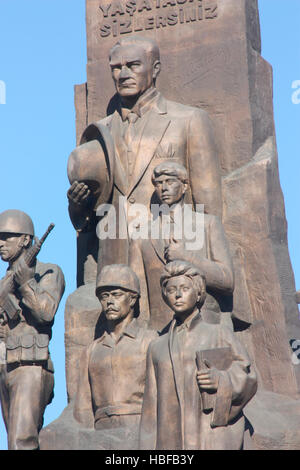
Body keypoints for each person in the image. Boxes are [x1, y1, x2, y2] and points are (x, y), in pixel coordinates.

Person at [67, 35, 222, 267]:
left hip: (168, 257)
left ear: (155, 68)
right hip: (113, 262)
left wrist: (198, 263)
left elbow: (209, 209)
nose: (124, 74)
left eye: (133, 65)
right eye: (116, 68)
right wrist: (77, 204)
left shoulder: (189, 120)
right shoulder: (100, 131)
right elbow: (88, 219)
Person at [139, 260, 257, 450]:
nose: (177, 295)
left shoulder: (219, 334)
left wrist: (221, 380)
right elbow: (150, 412)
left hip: (209, 436)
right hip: (169, 443)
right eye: (171, 290)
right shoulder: (156, 347)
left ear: (198, 293)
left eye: (184, 288)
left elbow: (249, 377)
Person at [129, 161, 233, 331]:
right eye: (159, 183)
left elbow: (227, 280)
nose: (163, 188)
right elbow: (138, 296)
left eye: (170, 182)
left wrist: (187, 257)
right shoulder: (140, 236)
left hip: (205, 327)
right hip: (160, 331)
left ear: (184, 186)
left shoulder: (208, 224)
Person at [0, 210, 65, 450]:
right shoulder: (4, 282)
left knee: (22, 442)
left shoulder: (48, 272)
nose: (0, 243)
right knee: (12, 442)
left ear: (26, 240)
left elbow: (45, 314)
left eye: (7, 236)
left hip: (30, 367)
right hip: (5, 365)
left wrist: (27, 283)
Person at [73, 264, 157, 450]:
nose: (109, 301)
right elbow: (83, 407)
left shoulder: (150, 341)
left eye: (116, 294)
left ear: (132, 298)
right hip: (99, 435)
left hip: (139, 430)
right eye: (104, 296)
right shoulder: (91, 350)